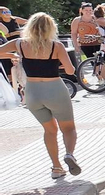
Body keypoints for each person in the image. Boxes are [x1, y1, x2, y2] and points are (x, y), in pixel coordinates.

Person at [0, 13, 80, 179]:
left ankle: (56, 168)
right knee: (68, 128)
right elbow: (71, 70)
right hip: (55, 88)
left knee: (49, 130)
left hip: (33, 91)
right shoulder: (56, 46)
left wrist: (12, 56)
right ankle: (69, 154)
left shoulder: (19, 44)